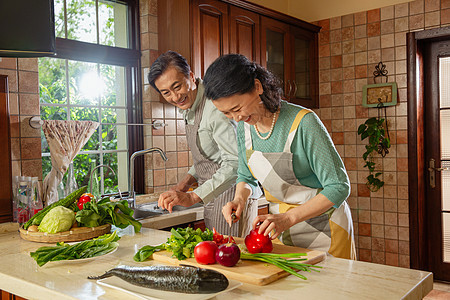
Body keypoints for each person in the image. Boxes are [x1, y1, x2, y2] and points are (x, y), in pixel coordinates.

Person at [203, 54, 356, 259]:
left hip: (325, 230)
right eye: (227, 114)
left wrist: (288, 218)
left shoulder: (304, 123)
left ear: (257, 87)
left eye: (237, 108)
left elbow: (339, 187)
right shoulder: (245, 128)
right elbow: (246, 177)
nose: (236, 118)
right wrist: (240, 198)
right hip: (281, 230)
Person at [147, 51, 257, 236]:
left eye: (177, 86)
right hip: (213, 194)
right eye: (166, 93)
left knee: (230, 261)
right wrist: (184, 184)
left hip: (233, 195)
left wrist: (192, 196)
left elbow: (236, 162)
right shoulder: (190, 107)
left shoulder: (215, 107)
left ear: (190, 76)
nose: (175, 97)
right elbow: (208, 158)